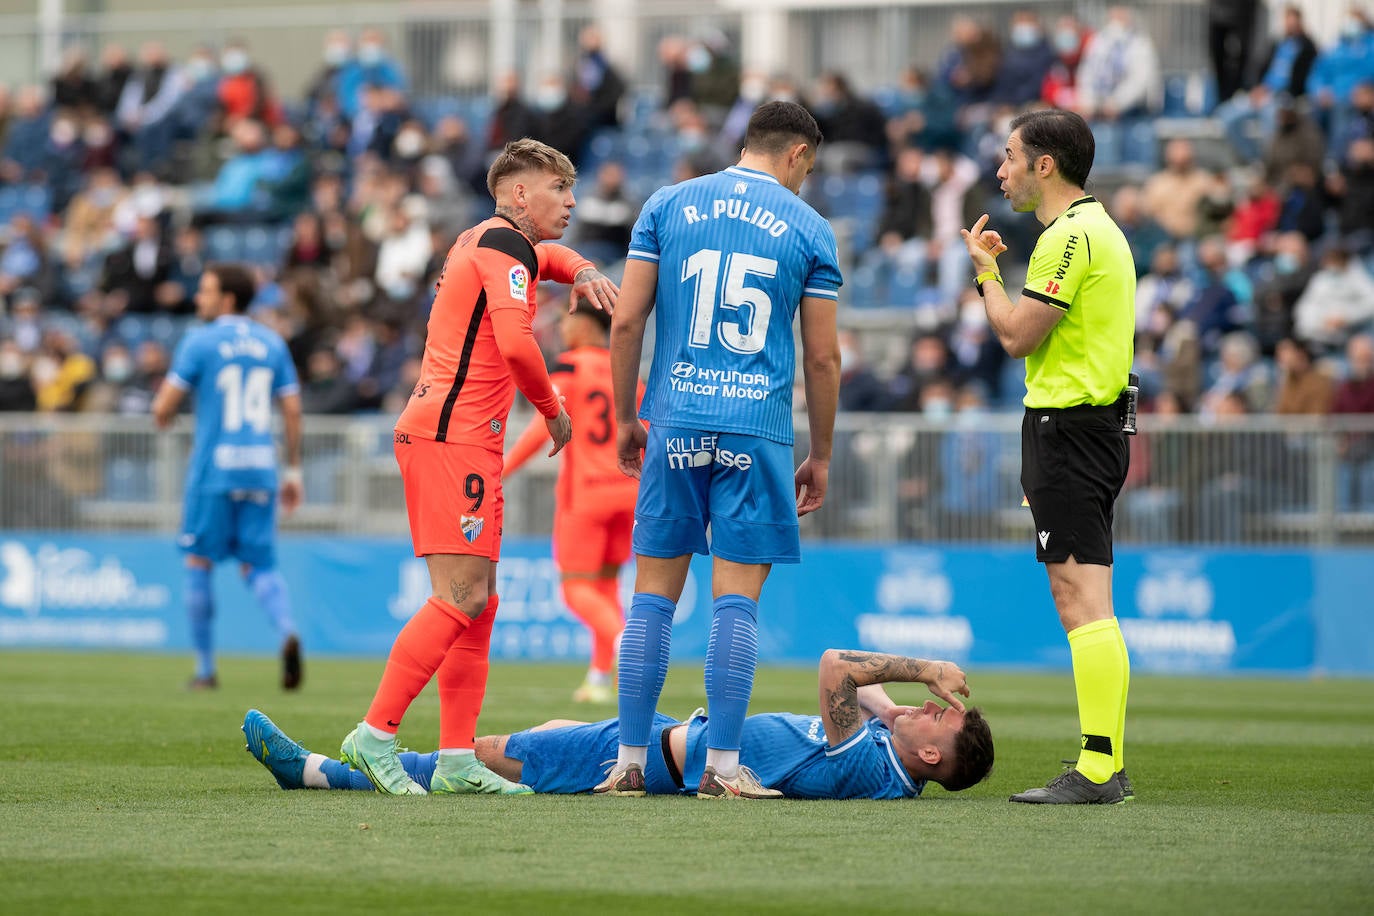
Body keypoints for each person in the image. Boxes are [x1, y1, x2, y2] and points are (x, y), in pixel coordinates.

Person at [338, 138, 620, 797]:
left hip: (462, 436)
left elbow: (547, 256)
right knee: (459, 596)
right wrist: (551, 411)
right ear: (521, 193)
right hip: (450, 436)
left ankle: (457, 757)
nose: (572, 201)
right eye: (559, 189)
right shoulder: (501, 245)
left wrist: (578, 268)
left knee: (481, 602)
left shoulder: (490, 241)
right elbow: (519, 344)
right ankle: (375, 734)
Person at [604, 100, 842, 800]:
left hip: (675, 419)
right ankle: (724, 769)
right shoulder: (810, 227)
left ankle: (628, 764)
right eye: (810, 166)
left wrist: (627, 417)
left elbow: (625, 322)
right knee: (735, 605)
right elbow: (823, 360)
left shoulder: (668, 203)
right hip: (756, 428)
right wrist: (820, 453)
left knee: (651, 600)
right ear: (798, 153)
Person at [959, 108, 1134, 805]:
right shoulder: (1098, 229)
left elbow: (1017, 337)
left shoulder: (1071, 236)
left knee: (1080, 600)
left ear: (1044, 165)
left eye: (1008, 157)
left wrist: (984, 276)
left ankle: (1097, 769)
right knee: (1088, 598)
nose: (999, 170)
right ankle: (1106, 763)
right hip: (1087, 429)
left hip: (1070, 431)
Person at [243, 648, 992, 799]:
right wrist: (898, 706)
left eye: (937, 721)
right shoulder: (889, 764)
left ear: (930, 755)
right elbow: (864, 699)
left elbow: (836, 668)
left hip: (656, 761)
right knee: (540, 728)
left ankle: (311, 770)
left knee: (469, 756)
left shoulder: (868, 764)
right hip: (666, 738)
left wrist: (924, 671)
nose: (931, 707)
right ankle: (323, 768)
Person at [151, 263, 305, 691]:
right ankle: (287, 628)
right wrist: (293, 469)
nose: (197, 298)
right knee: (259, 565)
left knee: (199, 561)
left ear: (227, 299)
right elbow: (291, 408)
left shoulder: (199, 341)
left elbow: (164, 409)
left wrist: (165, 414)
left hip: (213, 471)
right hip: (261, 468)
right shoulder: (272, 343)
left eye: (205, 291)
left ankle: (205, 670)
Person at [503, 299, 642, 703]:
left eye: (568, 317)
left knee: (575, 588)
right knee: (606, 586)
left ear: (586, 324)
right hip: (629, 491)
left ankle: (625, 645)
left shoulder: (570, 366)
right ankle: (599, 679)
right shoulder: (628, 374)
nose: (562, 326)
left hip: (587, 494)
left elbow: (541, 426)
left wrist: (503, 470)